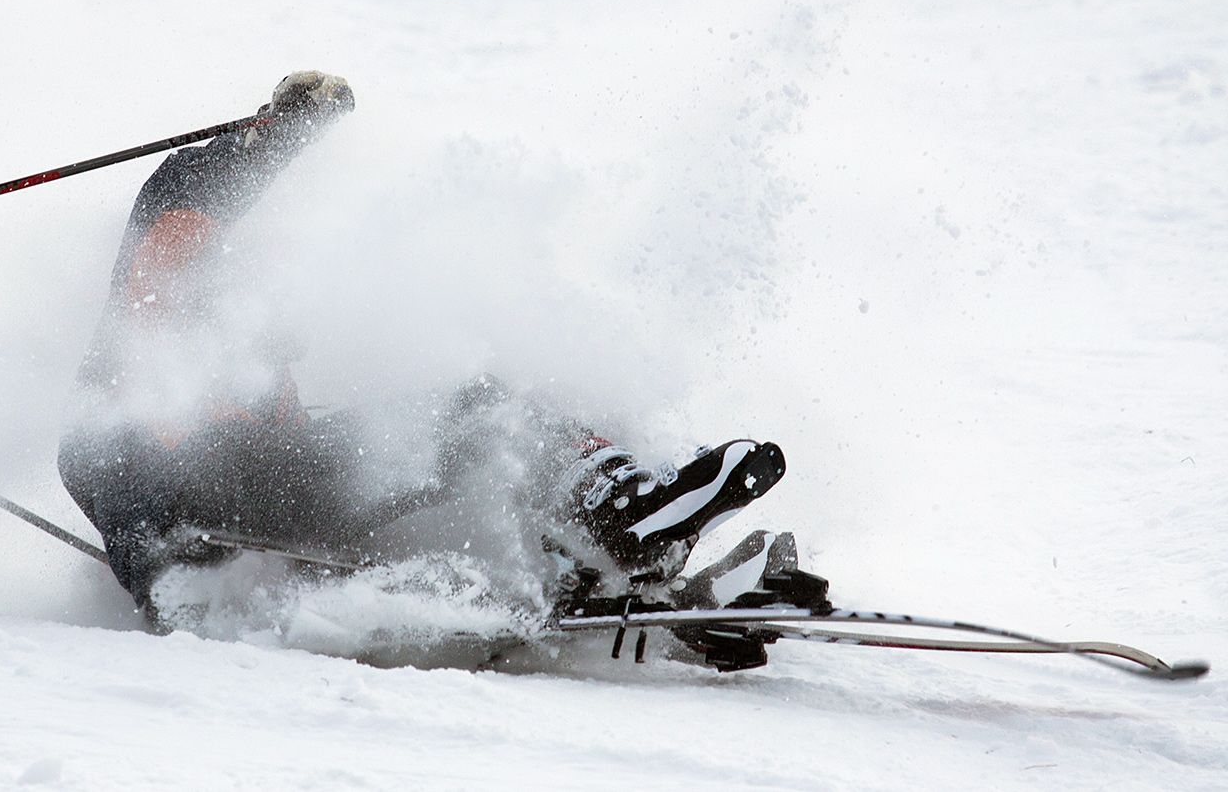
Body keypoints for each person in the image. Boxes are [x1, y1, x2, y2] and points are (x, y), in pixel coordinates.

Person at [58, 72, 817, 660]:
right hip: (240, 496)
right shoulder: (123, 409)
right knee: (476, 413)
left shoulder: (244, 352)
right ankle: (619, 529)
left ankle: (619, 541)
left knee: (482, 416)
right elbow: (183, 206)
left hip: (275, 490)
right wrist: (270, 142)